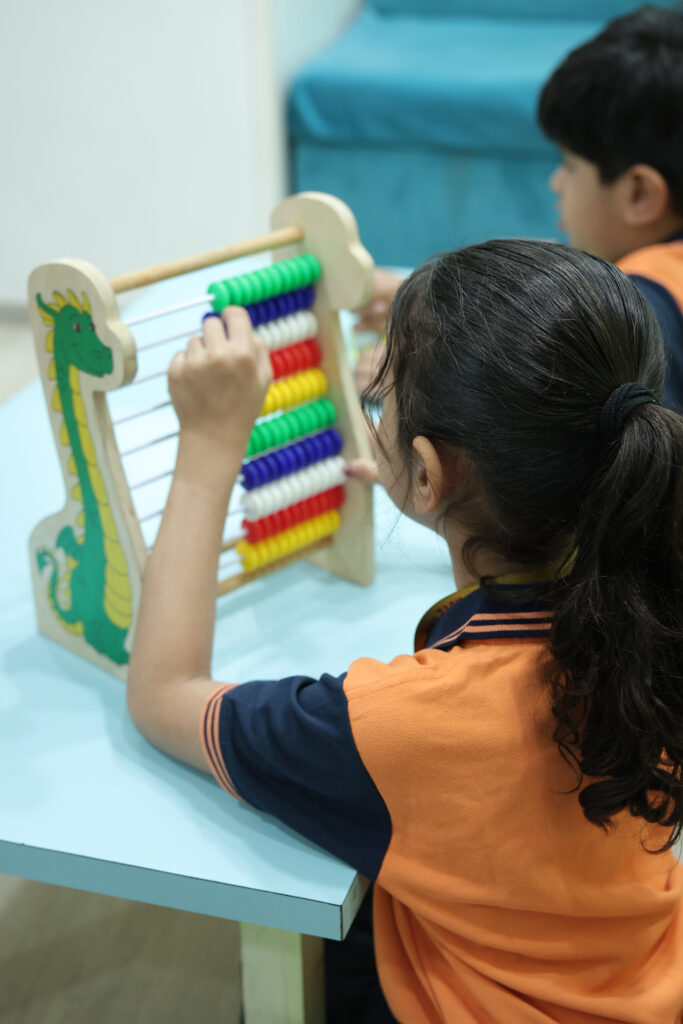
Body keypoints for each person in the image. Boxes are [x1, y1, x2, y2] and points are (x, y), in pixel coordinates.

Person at [127, 239, 683, 1023]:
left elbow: (161, 694)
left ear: (429, 473)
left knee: (325, 921)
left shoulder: (397, 725)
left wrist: (210, 446)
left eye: (380, 398)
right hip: (642, 980)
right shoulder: (657, 601)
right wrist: (441, 508)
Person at [355, 5, 683, 411]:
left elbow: (540, 416)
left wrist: (415, 381)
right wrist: (426, 310)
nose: (556, 182)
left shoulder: (641, 312)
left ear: (640, 194)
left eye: (570, 165)